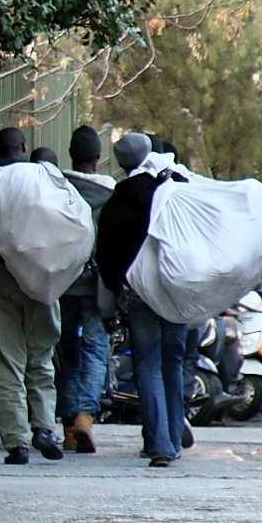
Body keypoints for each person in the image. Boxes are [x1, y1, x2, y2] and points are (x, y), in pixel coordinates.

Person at [0, 126, 63, 465]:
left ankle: (16, 442)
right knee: (41, 355)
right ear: (22, 147)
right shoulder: (42, 180)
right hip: (40, 275)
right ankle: (45, 427)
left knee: (5, 361)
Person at [95, 132, 190, 467]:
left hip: (139, 293)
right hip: (177, 290)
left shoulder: (118, 201)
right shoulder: (176, 188)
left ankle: (159, 443)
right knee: (173, 362)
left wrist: (116, 287)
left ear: (120, 163)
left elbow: (105, 254)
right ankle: (175, 433)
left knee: (147, 365)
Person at [56, 125, 115, 452]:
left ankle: (67, 427)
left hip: (62, 285)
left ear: (71, 154)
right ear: (98, 157)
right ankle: (84, 417)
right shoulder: (111, 196)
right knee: (95, 350)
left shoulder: (59, 191)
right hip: (97, 289)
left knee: (66, 354)